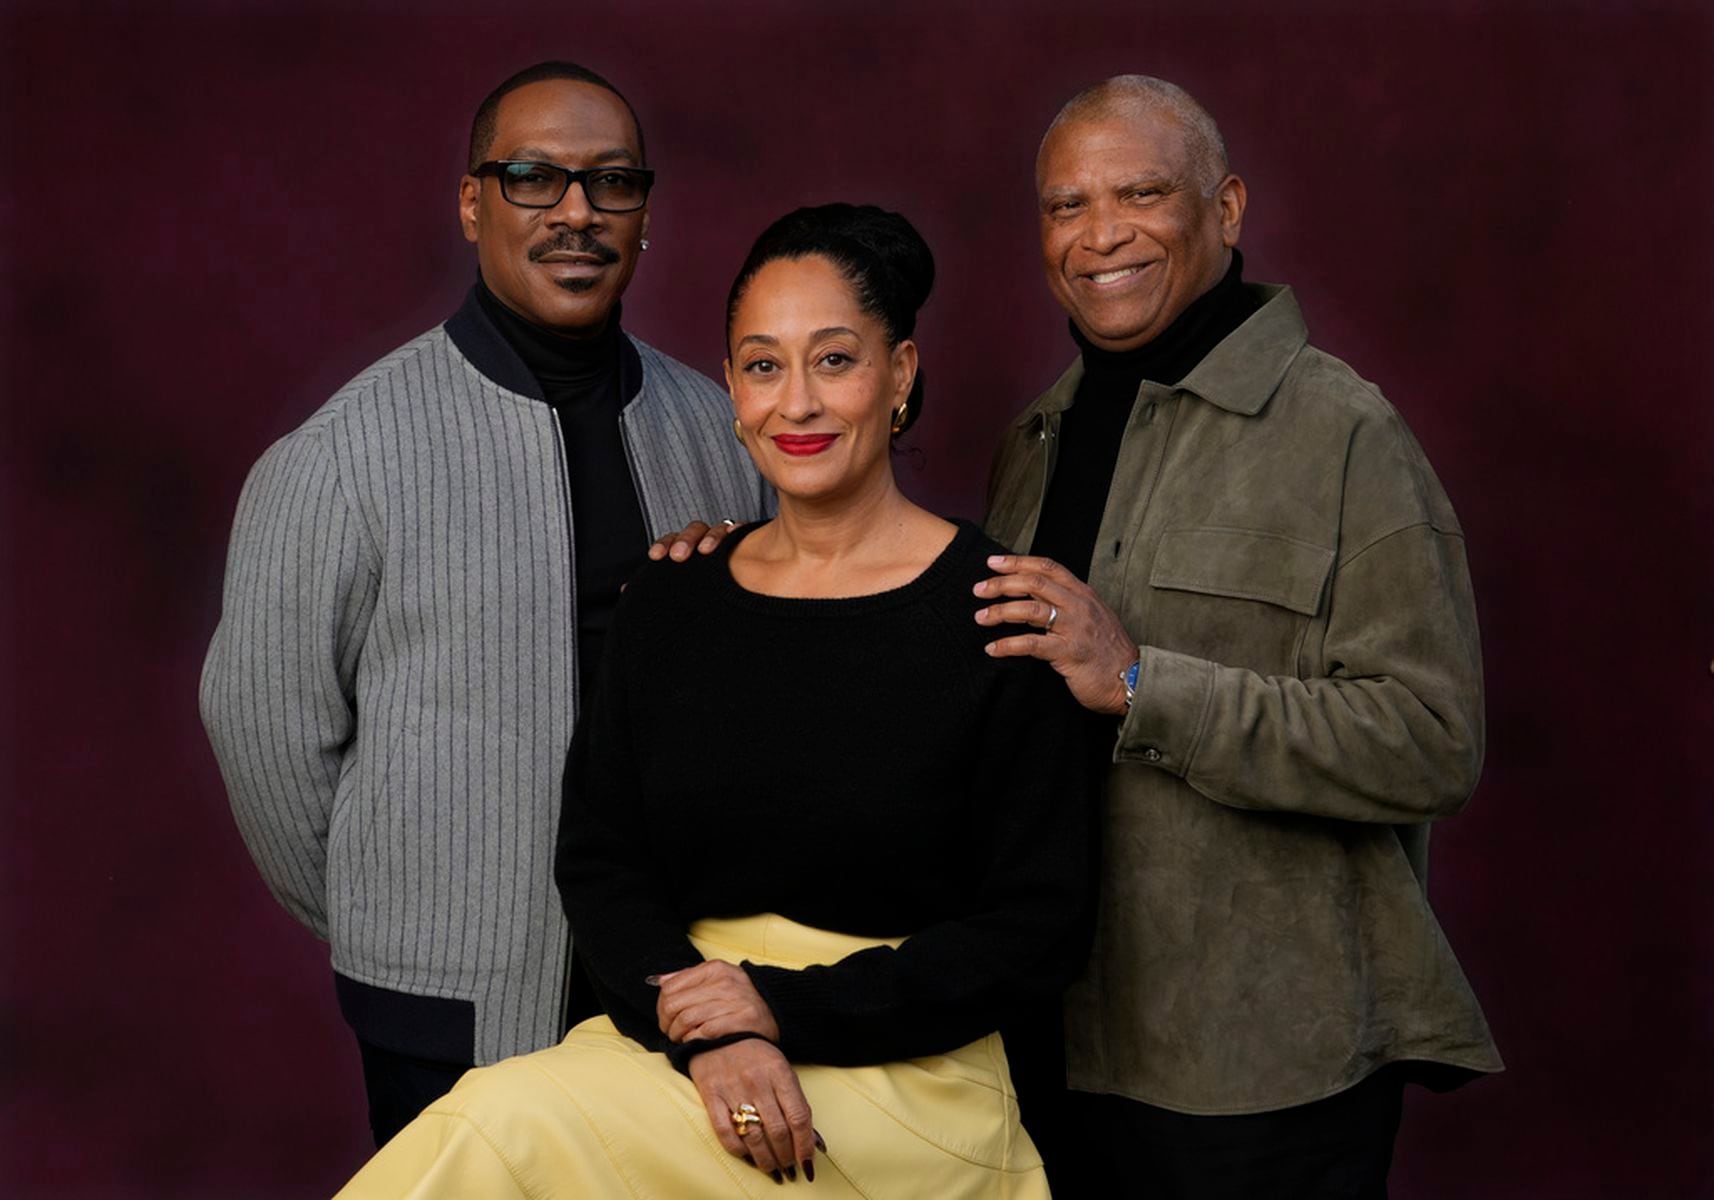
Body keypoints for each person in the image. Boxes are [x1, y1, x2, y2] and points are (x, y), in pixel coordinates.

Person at [662, 76, 1503, 1197]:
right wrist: (758, 565)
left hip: (1256, 1068)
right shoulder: (1038, 437)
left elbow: (1431, 740)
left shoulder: (1344, 434)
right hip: (1039, 1044)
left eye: (1141, 194)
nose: (1100, 234)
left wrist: (1143, 682)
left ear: (1227, 209)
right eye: (1067, 206)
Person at [332, 203, 1094, 1198]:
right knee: (495, 1120)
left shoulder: (999, 611)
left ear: (900, 373)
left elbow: (1038, 929)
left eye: (834, 360)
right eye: (764, 365)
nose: (797, 403)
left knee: (501, 1129)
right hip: (675, 1036)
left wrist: (772, 1010)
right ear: (732, 388)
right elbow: (602, 863)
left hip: (906, 1074)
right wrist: (709, 1031)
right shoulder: (672, 600)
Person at [199, 60, 769, 1147]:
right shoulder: (344, 454)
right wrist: (396, 915)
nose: (576, 213)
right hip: (447, 1008)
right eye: (533, 178)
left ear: (645, 214)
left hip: (682, 993)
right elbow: (266, 735)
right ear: (472, 204)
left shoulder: (720, 429)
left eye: (612, 182)